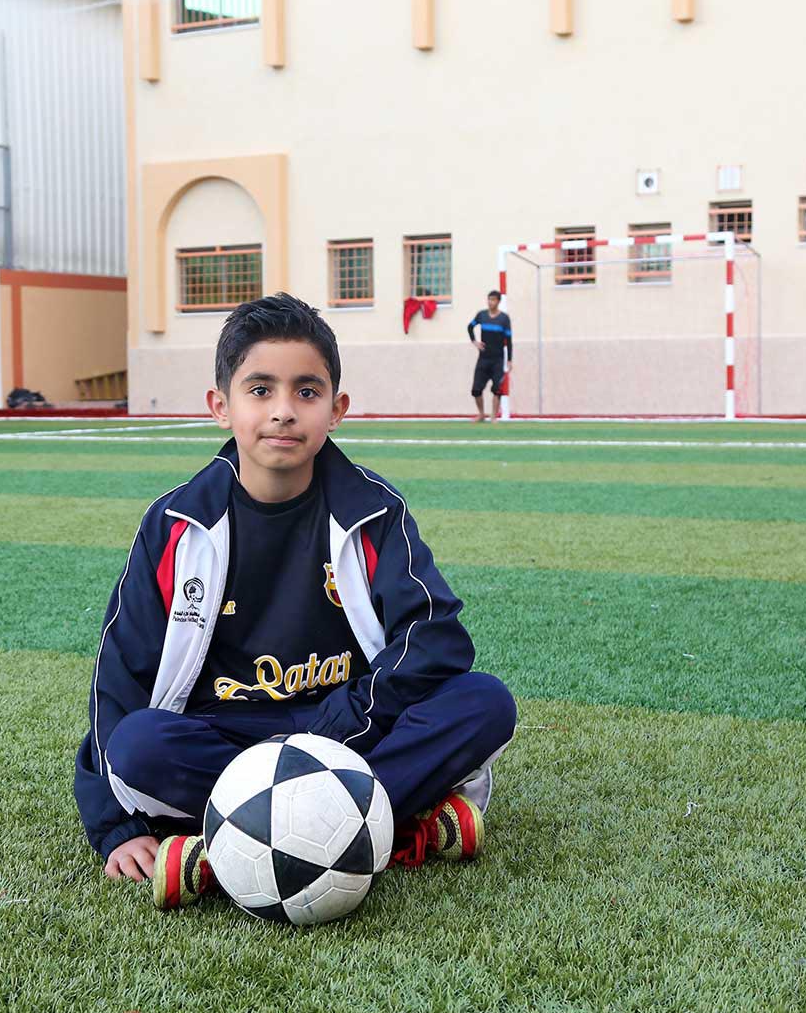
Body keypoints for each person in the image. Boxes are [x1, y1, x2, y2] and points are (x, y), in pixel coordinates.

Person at [75, 293, 517, 909]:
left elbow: (436, 638)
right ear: (220, 406)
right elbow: (118, 675)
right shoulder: (176, 524)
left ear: (336, 409)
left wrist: (339, 727)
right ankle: (395, 828)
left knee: (483, 702)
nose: (283, 411)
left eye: (306, 392)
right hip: (229, 734)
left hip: (350, 726)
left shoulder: (373, 512)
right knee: (137, 746)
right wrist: (112, 825)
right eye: (260, 390)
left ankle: (225, 849)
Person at [466, 291, 511, 423]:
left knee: (497, 389)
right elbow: (470, 327)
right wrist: (474, 341)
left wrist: (509, 359)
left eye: (493, 300)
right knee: (476, 389)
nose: (490, 302)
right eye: (488, 299)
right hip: (483, 358)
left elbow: (509, 340)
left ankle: (493, 416)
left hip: (498, 359)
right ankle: (481, 414)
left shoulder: (504, 319)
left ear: (498, 301)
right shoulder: (481, 315)